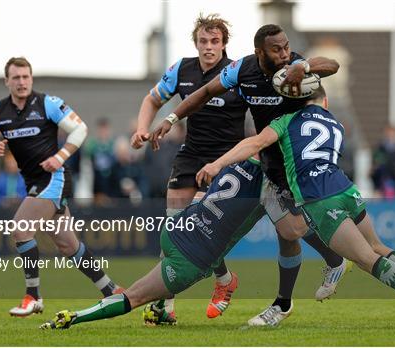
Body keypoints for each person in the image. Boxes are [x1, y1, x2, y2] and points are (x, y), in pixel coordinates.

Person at [196, 85, 395, 329]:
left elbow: (256, 143)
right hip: (345, 188)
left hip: (319, 198)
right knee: (377, 246)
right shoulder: (336, 124)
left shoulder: (287, 120)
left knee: (365, 258)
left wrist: (217, 164)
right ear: (324, 102)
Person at [150, 24, 348, 326]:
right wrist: (172, 117)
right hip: (263, 159)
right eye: (276, 49)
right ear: (259, 53)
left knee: (290, 231)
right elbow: (205, 92)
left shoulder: (295, 65)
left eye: (286, 47)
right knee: (283, 229)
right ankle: (302, 280)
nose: (283, 54)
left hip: (295, 161)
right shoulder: (241, 70)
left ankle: (289, 294)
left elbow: (331, 65)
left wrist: (303, 66)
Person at [40, 156, 306, 330]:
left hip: (174, 229)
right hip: (189, 259)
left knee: (211, 220)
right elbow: (291, 230)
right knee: (133, 297)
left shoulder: (238, 158)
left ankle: (174, 304)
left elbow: (206, 192)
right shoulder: (271, 186)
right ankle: (74, 317)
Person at [0, 57, 122, 317]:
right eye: (16, 77)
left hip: (54, 178)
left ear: (31, 78)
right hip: (34, 182)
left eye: (26, 76)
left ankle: (33, 296)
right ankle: (112, 290)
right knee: (69, 246)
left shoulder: (48, 103)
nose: (21, 82)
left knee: (21, 229)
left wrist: (60, 157)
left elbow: (80, 129)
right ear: (6, 81)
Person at [131, 14, 250, 320]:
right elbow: (152, 99)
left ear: (224, 45)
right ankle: (165, 305)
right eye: (203, 41)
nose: (208, 47)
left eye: (215, 42)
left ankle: (223, 281)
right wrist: (142, 129)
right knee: (174, 226)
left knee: (202, 228)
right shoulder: (182, 70)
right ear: (196, 44)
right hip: (192, 153)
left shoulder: (237, 73)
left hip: (227, 159)